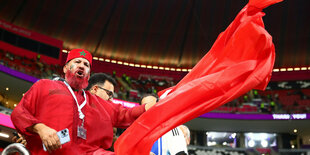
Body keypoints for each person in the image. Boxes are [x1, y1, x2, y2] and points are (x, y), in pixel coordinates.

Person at [11, 49, 155, 154]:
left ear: (88, 74)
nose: (82, 66)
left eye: (86, 65)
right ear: (66, 68)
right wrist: (41, 129)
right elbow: (19, 113)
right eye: (77, 62)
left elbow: (123, 114)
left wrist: (148, 108)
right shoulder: (45, 86)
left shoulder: (95, 101)